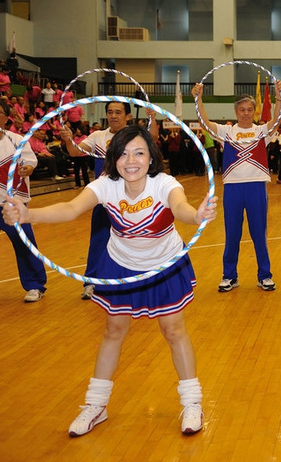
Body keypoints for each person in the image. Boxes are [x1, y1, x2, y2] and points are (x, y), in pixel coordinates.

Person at [2, 125, 217, 436]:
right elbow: (71, 208)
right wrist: (28, 215)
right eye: (123, 153)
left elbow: (181, 208)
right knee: (113, 330)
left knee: (173, 330)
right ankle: (96, 405)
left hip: (164, 264)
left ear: (151, 157)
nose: (131, 160)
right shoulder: (106, 185)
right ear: (114, 157)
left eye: (139, 153)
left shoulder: (164, 183)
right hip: (120, 263)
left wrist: (196, 216)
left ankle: (192, 403)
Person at [60, 101, 158, 300]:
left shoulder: (135, 136)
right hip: (105, 200)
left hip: (132, 199)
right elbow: (75, 152)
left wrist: (153, 118)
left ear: (127, 116)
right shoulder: (98, 136)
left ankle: (138, 280)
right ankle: (92, 281)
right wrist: (68, 139)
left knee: (135, 240)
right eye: (110, 112)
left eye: (118, 112)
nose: (113, 116)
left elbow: (154, 138)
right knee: (99, 240)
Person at [193, 82, 281, 293]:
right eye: (242, 110)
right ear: (236, 112)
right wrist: (198, 98)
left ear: (254, 111)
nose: (245, 113)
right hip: (233, 189)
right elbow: (204, 122)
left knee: (259, 234)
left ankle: (265, 275)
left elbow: (277, 119)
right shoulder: (227, 131)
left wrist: (279, 97)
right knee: (232, 234)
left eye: (249, 110)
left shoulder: (262, 131)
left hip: (256, 188)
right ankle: (229, 276)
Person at [0, 100, 47, 302]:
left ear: (6, 117)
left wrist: (27, 168)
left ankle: (35, 285)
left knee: (24, 243)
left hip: (13, 203)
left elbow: (30, 162)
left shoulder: (17, 140)